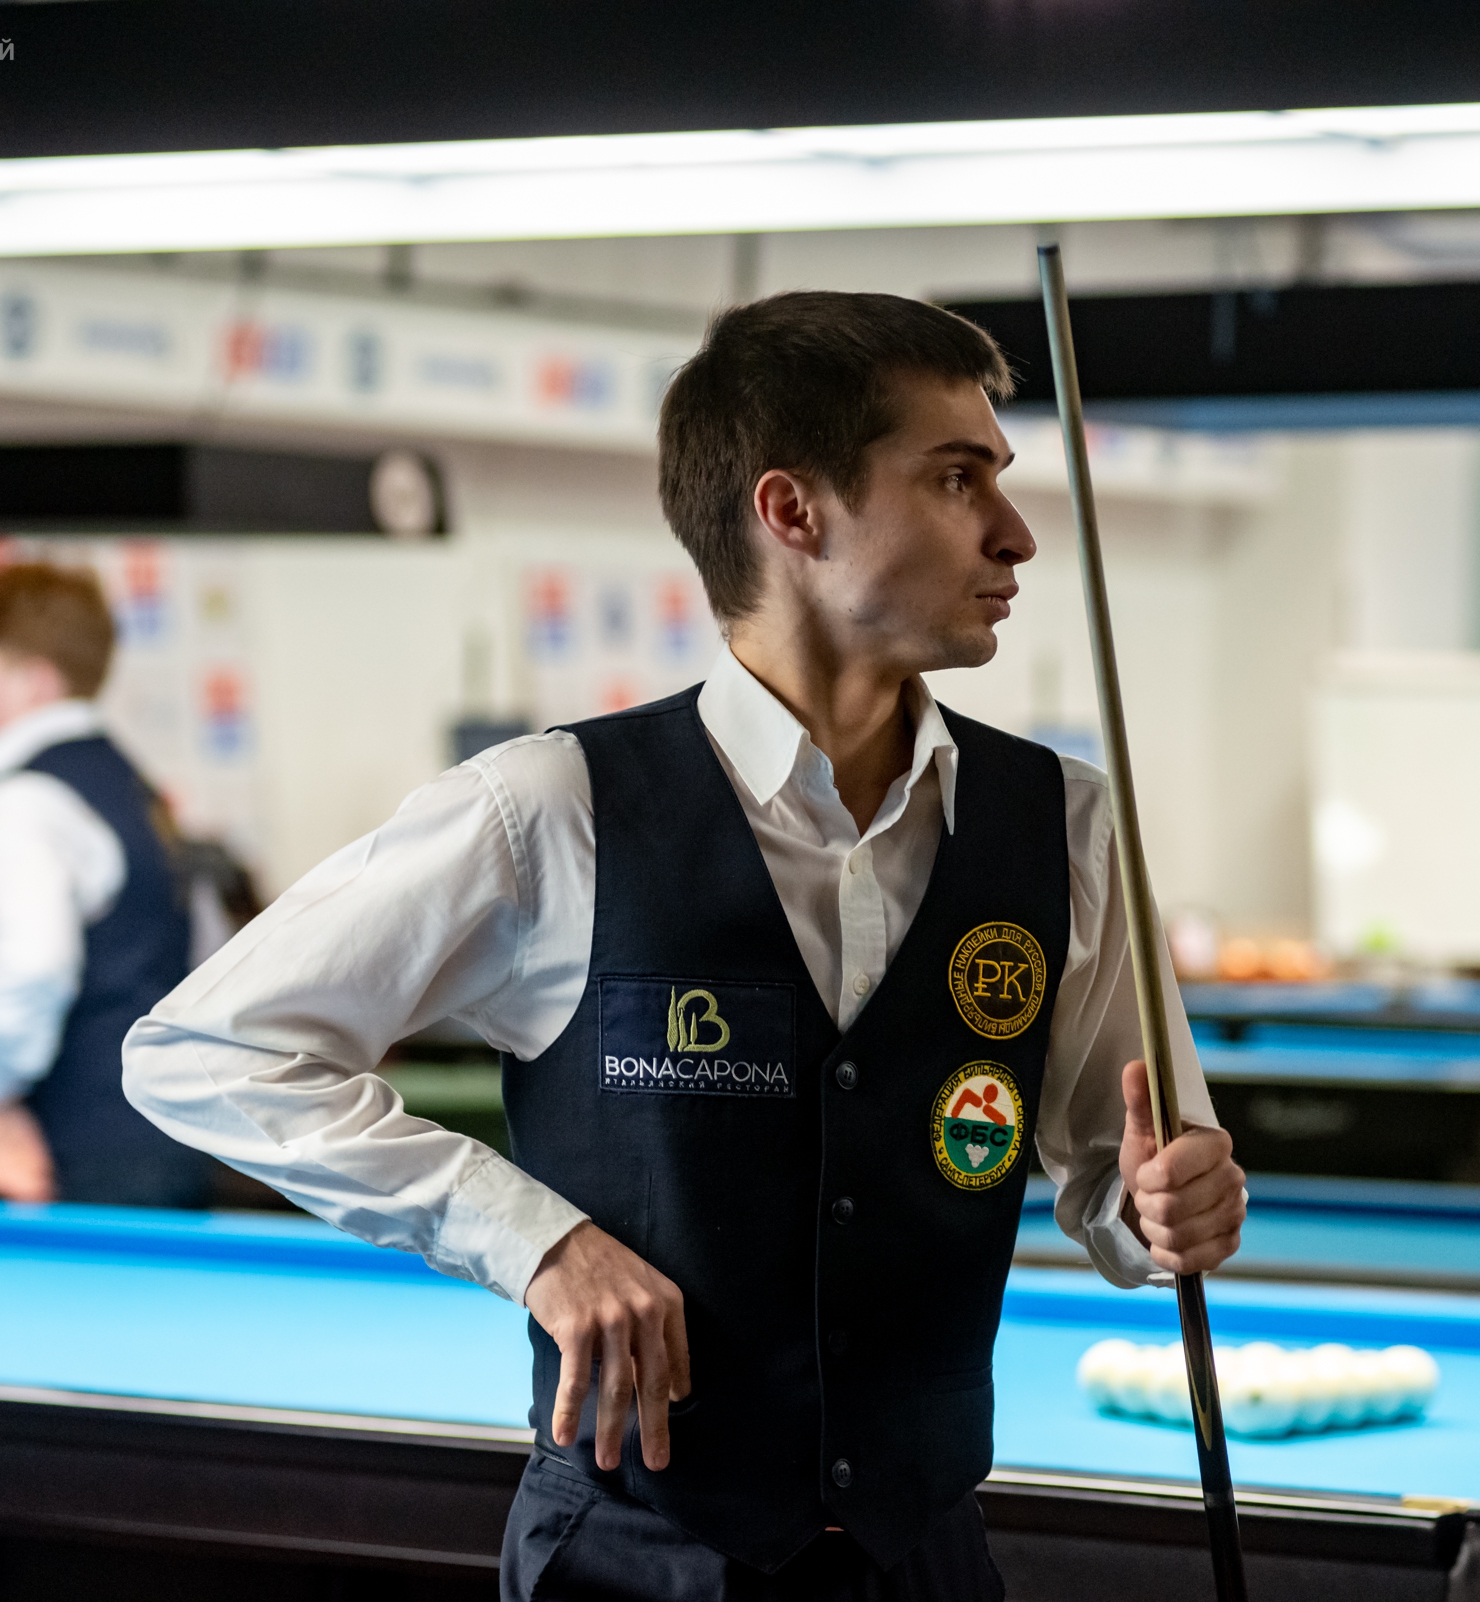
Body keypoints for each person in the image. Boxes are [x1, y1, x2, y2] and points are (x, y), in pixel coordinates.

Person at [122, 292, 1247, 1599]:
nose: (1016, 532)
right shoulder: (550, 808)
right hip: (633, 1562)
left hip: (928, 1564)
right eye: (957, 478)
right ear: (793, 511)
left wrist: (1167, 1207)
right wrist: (532, 1238)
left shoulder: (1066, 823)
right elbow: (201, 1050)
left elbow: (1125, 1187)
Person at [0, 562, 217, 1209]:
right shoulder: (138, 790)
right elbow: (210, 953)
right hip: (166, 1152)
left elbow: (30, 968)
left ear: (34, 681)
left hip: (60, 1167)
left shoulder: (23, 800)